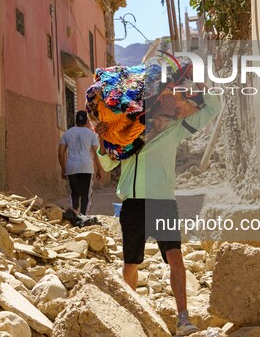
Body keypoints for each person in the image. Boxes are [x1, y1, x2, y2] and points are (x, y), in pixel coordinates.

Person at [95, 87, 221, 336]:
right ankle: (130, 315)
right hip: (133, 204)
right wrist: (102, 139)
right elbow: (109, 163)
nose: (173, 106)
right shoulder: (127, 134)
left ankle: (183, 318)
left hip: (163, 202)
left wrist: (199, 84)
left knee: (175, 256)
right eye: (167, 100)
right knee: (130, 262)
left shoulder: (175, 130)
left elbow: (213, 108)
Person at [58, 110, 101, 215]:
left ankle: (75, 216)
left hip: (72, 167)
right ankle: (84, 217)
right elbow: (97, 153)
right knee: (86, 195)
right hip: (86, 167)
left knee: (74, 194)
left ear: (75, 120)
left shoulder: (67, 133)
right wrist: (99, 168)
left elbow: (60, 153)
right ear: (86, 121)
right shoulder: (91, 135)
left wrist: (63, 169)